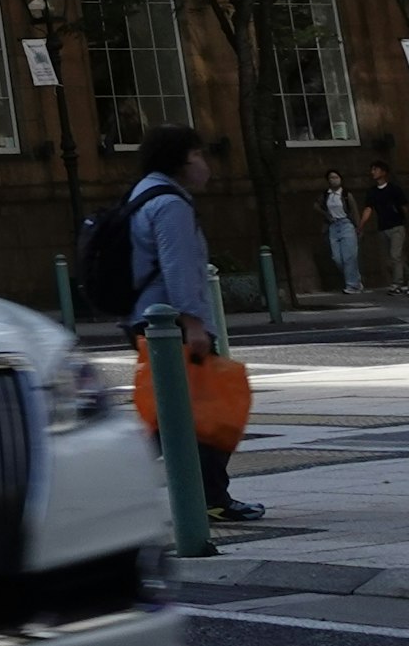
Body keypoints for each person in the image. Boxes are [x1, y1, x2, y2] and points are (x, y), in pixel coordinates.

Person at [122, 124, 263, 525]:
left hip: (149, 321)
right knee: (211, 410)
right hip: (173, 328)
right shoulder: (169, 204)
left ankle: (114, 492)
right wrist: (194, 324)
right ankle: (209, 499)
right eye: (199, 155)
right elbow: (179, 267)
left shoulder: (143, 193)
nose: (205, 164)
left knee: (169, 416)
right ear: (181, 160)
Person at [361, 163, 409, 294]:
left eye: (376, 169)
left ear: (384, 172)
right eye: (372, 169)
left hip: (397, 225)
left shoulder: (394, 189)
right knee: (395, 257)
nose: (373, 172)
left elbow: (404, 207)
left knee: (395, 255)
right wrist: (361, 224)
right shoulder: (372, 191)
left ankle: (397, 283)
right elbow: (368, 208)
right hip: (383, 227)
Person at [320, 170, 362, 294]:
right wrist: (327, 216)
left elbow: (354, 211)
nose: (334, 180)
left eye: (336, 177)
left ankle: (352, 285)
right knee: (337, 258)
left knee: (349, 256)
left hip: (346, 224)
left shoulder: (345, 194)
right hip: (333, 225)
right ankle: (355, 278)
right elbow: (317, 206)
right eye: (331, 178)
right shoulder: (326, 195)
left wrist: (358, 227)